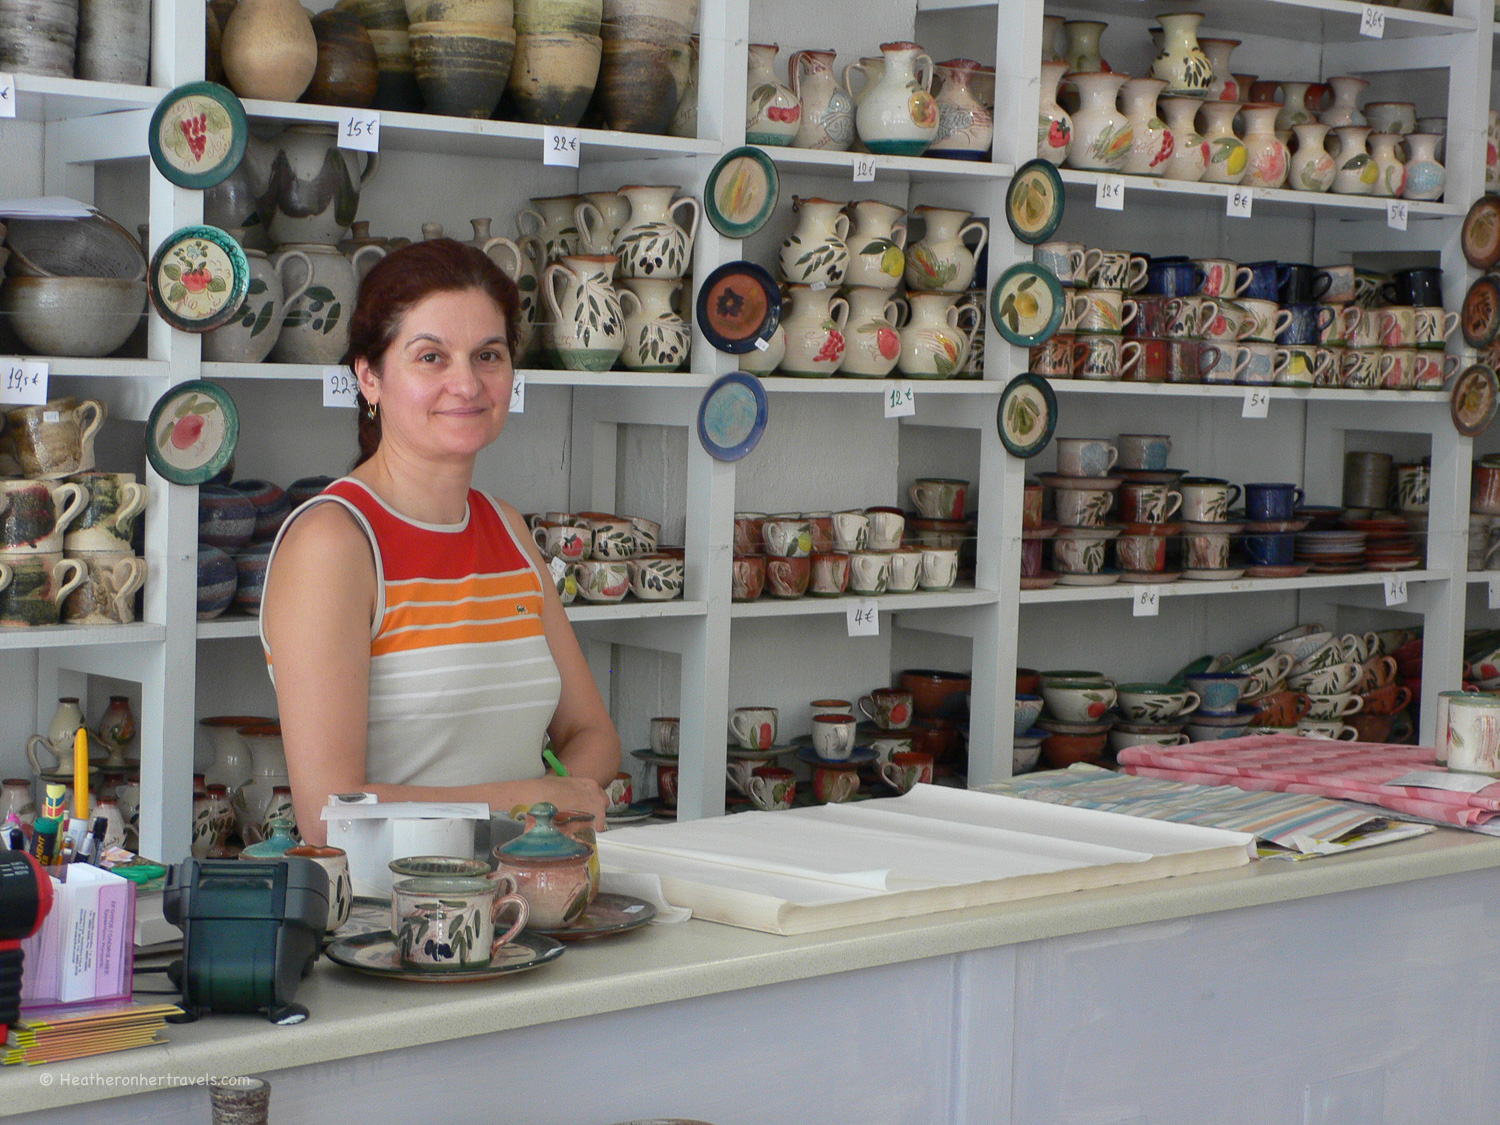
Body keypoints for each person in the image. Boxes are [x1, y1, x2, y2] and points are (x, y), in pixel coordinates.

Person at [260, 239, 621, 846]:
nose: (468, 383)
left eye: (489, 355)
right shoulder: (336, 542)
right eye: (431, 357)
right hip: (391, 920)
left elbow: (593, 734)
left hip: (522, 891)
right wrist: (535, 800)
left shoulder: (506, 529)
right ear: (369, 377)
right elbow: (328, 812)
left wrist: (546, 815)